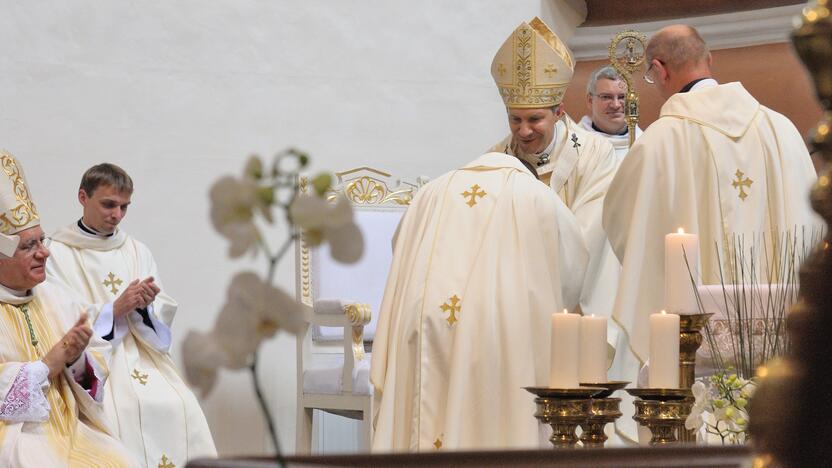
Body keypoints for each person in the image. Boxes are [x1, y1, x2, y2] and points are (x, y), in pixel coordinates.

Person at [604, 25, 821, 398]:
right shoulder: (781, 130)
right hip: (785, 358)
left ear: (659, 69)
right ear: (710, 60)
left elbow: (625, 227)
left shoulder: (659, 143)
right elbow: (813, 226)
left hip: (695, 361)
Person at [370, 152, 588, 451]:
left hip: (424, 322)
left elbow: (400, 249)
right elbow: (573, 269)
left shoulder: (430, 193)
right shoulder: (538, 195)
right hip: (501, 330)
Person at [46, 163, 216, 466]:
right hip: (95, 362)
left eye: (124, 207)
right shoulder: (57, 252)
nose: (117, 215)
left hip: (142, 355)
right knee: (119, 410)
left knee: (181, 404)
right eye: (109, 205)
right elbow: (58, 313)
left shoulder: (136, 251)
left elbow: (161, 311)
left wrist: (145, 306)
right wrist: (114, 309)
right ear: (83, 197)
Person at [0, 151, 137, 466]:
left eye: (41, 240)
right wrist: (49, 363)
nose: (44, 253)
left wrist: (77, 360)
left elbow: (95, 373)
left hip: (72, 430)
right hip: (16, 436)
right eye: (29, 246)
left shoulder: (56, 298)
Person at [488, 17, 618, 328]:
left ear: (558, 111)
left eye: (534, 119)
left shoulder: (594, 154)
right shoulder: (496, 158)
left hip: (572, 309)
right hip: (513, 301)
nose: (524, 130)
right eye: (514, 119)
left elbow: (587, 234)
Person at [578, 65, 643, 161]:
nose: (616, 105)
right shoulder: (575, 144)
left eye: (622, 97)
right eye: (606, 97)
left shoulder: (645, 142)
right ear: (590, 101)